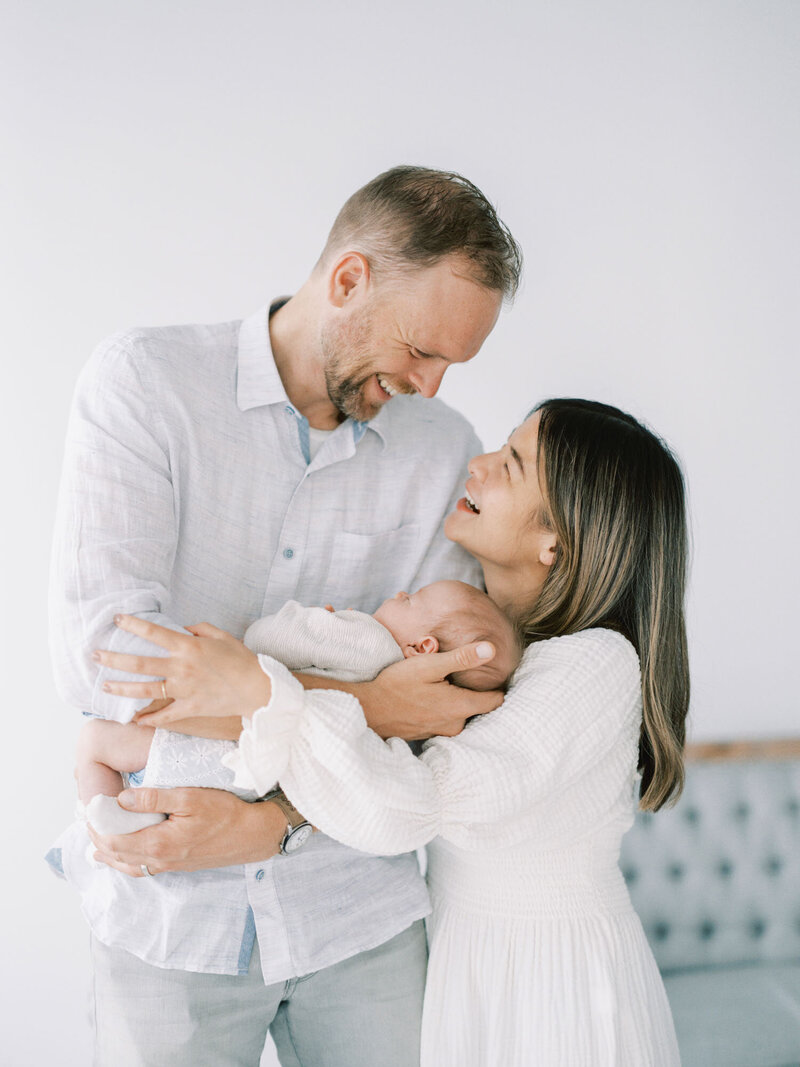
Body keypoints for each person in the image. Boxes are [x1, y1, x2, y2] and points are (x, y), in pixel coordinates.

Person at [47, 165, 522, 1067]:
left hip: (359, 908)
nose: (431, 383)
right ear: (348, 281)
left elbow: (440, 709)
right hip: (167, 908)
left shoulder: (442, 451)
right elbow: (102, 662)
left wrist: (272, 808)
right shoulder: (145, 386)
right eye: (423, 348)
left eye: (454, 363)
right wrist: (366, 706)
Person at [97, 398, 688, 1066]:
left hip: (546, 977)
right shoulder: (486, 632)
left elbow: (411, 800)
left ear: (554, 540)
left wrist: (264, 694)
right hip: (465, 956)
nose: (479, 464)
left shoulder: (593, 665)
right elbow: (382, 737)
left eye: (512, 463)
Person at [76, 581, 521, 835]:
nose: (401, 592)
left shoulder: (366, 637)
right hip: (261, 782)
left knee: (95, 741)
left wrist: (307, 620)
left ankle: (103, 813)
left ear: (423, 646)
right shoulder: (412, 717)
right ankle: (135, 812)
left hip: (219, 741)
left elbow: (266, 643)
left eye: (411, 600)